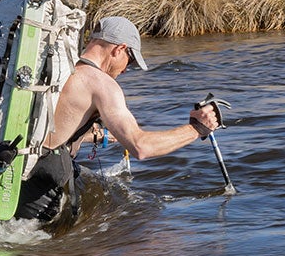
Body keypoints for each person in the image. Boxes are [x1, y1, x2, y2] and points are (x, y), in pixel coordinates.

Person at [16, 16, 221, 225]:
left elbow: (52, 129)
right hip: (37, 195)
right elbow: (141, 147)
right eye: (130, 61)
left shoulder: (64, 69)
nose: (125, 69)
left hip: (14, 177)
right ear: (119, 49)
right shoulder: (101, 84)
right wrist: (197, 129)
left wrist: (94, 136)